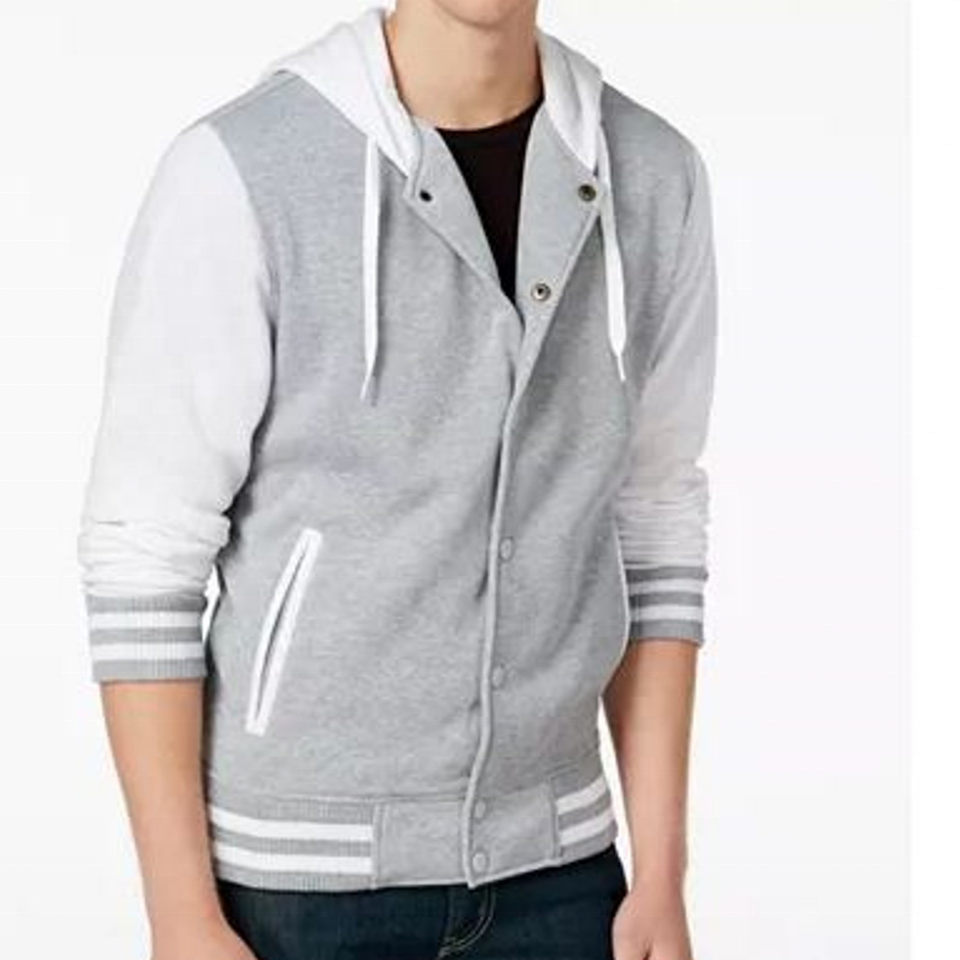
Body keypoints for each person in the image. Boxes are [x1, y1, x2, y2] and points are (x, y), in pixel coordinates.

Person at [76, 1, 718, 957]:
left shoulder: (652, 175)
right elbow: (145, 555)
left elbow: (655, 521)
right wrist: (180, 914)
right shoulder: (241, 169)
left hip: (562, 874)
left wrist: (660, 872)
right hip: (295, 886)